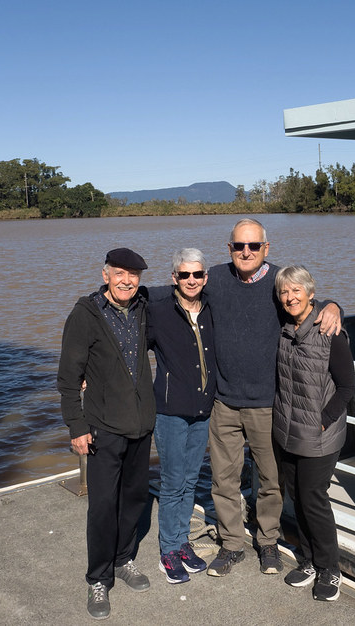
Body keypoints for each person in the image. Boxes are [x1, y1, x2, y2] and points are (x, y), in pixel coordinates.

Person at [202, 218, 342, 578]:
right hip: (225, 403)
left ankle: (268, 543)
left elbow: (307, 299)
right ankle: (231, 544)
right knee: (224, 480)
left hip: (269, 405)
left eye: (252, 246)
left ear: (266, 248)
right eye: (238, 246)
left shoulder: (279, 282)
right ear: (228, 247)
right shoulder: (214, 279)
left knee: (271, 482)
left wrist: (333, 304)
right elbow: (170, 295)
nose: (245, 252)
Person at [56, 248, 156, 621]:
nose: (127, 280)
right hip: (103, 428)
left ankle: (123, 558)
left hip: (141, 426)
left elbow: (190, 291)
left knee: (134, 499)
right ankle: (98, 578)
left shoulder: (145, 306)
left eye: (134, 275)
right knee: (101, 507)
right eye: (120, 273)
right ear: (105, 274)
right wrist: (76, 426)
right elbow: (68, 377)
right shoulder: (85, 315)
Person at [273, 265, 354, 602]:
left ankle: (329, 569)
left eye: (296, 291)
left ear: (309, 292)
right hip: (287, 431)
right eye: (284, 292)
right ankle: (308, 561)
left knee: (313, 499)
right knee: (297, 498)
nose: (290, 297)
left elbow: (347, 386)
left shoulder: (329, 331)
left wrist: (324, 420)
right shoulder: (284, 329)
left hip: (320, 435)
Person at [147, 248, 216, 584]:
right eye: (185, 275)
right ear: (174, 277)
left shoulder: (211, 309)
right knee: (173, 483)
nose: (192, 280)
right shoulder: (158, 312)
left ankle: (181, 540)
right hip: (171, 412)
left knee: (190, 481)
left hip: (203, 410)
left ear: (205, 277)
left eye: (198, 274)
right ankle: (168, 551)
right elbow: (124, 343)